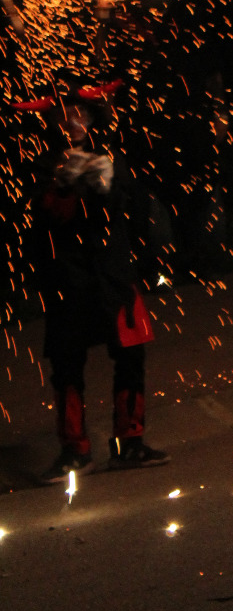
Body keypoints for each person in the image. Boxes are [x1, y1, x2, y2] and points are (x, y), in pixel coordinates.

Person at [23, 76, 170, 483]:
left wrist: (110, 186)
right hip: (67, 277)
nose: (73, 120)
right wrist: (66, 184)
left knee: (130, 354)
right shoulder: (41, 163)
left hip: (113, 273)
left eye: (80, 112)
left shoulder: (111, 156)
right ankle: (74, 451)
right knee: (68, 364)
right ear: (53, 120)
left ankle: (129, 443)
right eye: (64, 114)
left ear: (91, 117)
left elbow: (132, 208)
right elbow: (42, 217)